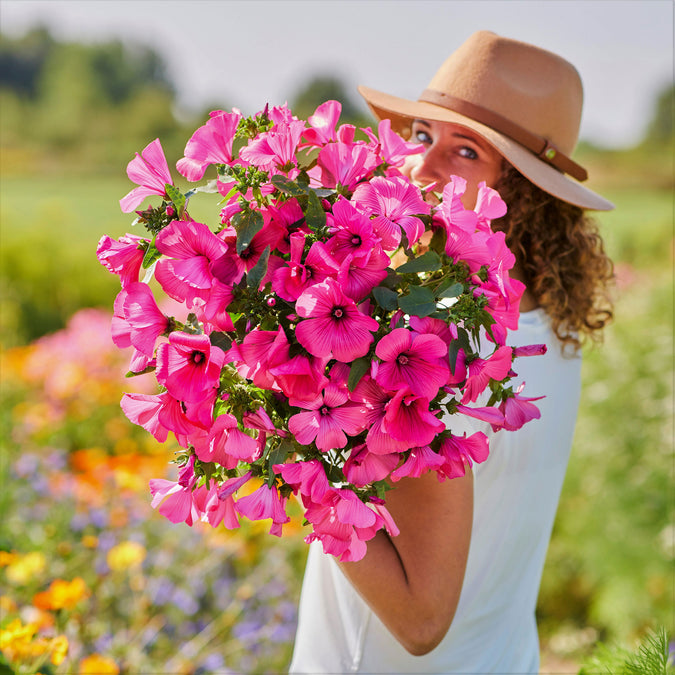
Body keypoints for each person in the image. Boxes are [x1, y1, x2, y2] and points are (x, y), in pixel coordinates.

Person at [289, 31, 614, 674]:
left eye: (464, 151)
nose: (418, 167)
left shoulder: (440, 349)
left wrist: (293, 445)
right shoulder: (547, 327)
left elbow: (420, 621)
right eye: (420, 136)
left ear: (523, 195)